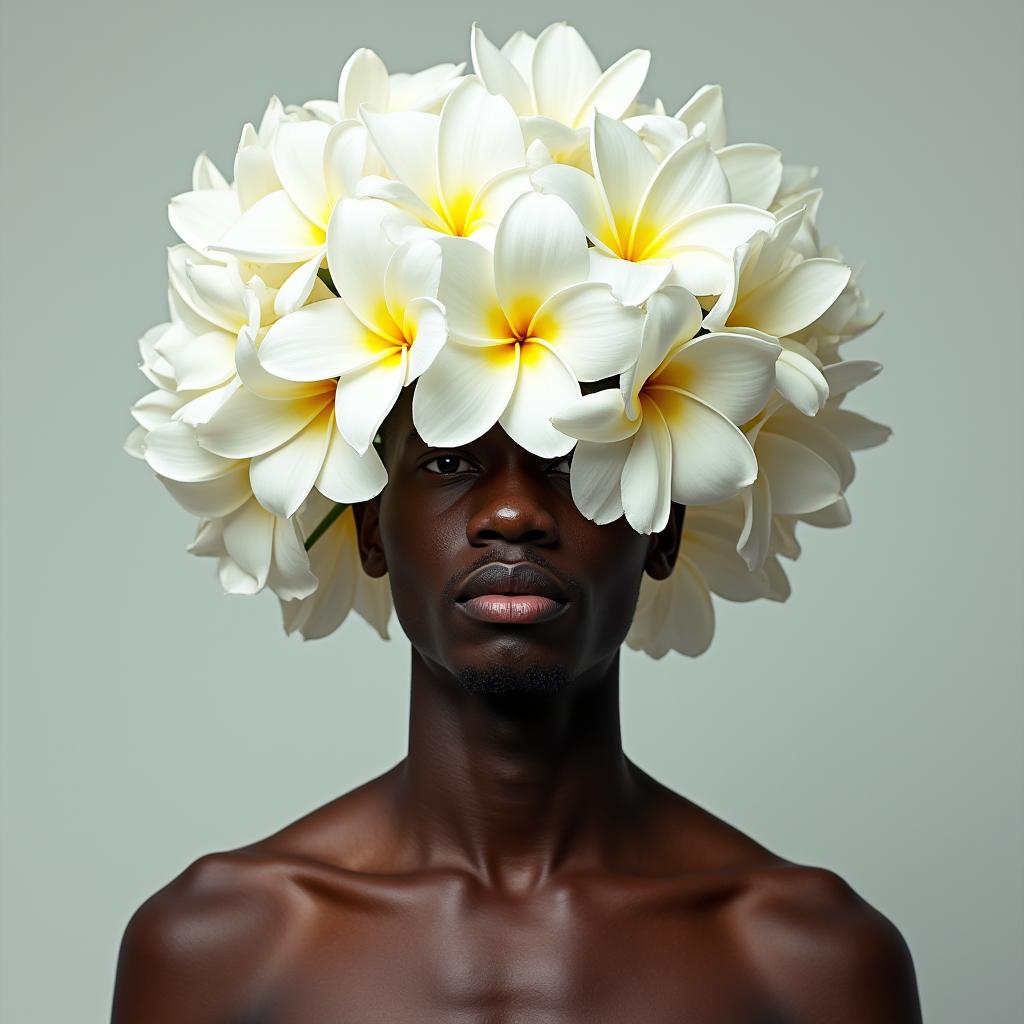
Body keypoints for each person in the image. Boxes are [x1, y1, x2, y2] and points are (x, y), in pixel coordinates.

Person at [111, 380, 923, 1022]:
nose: (512, 514)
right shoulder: (217, 943)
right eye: (449, 462)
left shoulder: (811, 958)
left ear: (662, 529)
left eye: (573, 462)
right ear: (369, 529)